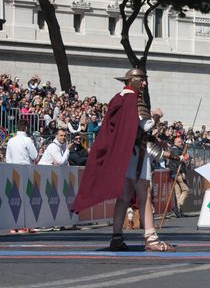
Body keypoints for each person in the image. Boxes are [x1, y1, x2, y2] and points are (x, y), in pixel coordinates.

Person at [72, 68, 176, 252]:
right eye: (141, 80)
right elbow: (144, 126)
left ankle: (117, 237)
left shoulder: (117, 98)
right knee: (144, 194)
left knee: (124, 197)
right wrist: (158, 116)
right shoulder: (132, 99)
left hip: (124, 154)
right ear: (132, 80)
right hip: (136, 153)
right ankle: (151, 237)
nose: (144, 83)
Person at [168, 136, 190, 218]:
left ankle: (179, 210)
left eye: (181, 142)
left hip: (174, 172)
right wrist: (182, 172)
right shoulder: (176, 150)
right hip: (177, 172)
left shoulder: (174, 149)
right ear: (176, 142)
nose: (181, 143)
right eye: (180, 142)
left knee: (178, 192)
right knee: (186, 190)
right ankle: (178, 206)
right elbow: (177, 162)